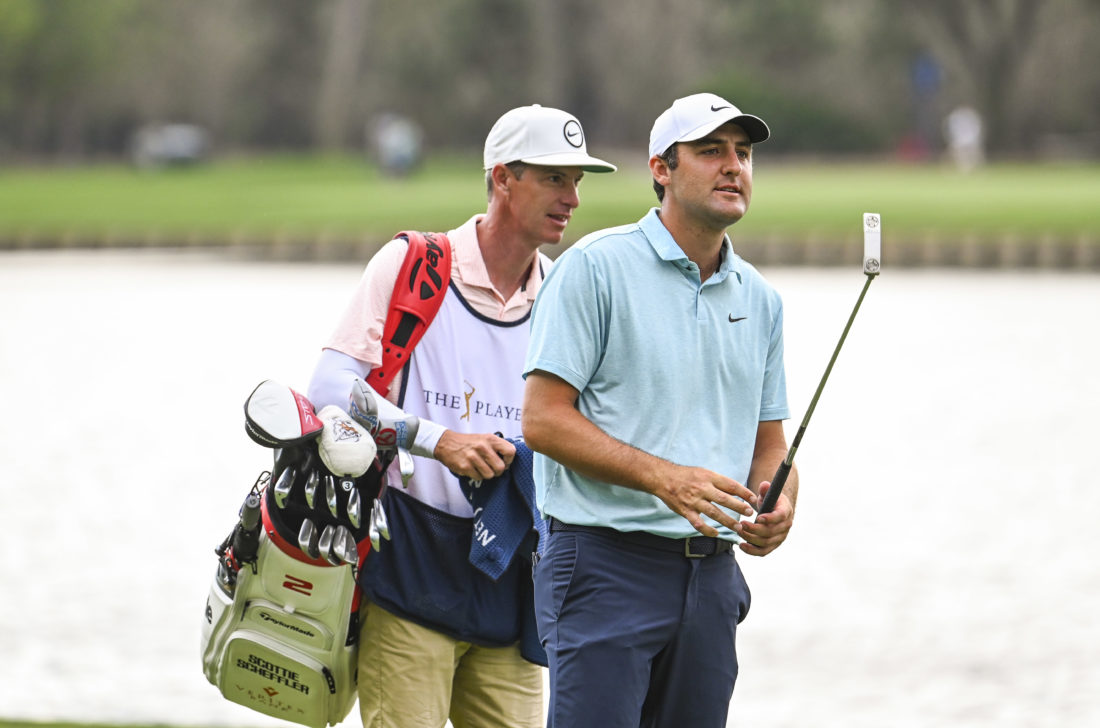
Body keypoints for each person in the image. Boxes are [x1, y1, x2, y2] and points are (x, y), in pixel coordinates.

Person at [307, 104, 615, 728]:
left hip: (516, 576)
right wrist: (437, 440)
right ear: (503, 177)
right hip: (410, 563)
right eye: (556, 178)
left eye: (577, 181)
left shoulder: (563, 293)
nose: (573, 199)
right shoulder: (413, 265)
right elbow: (329, 387)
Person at [521, 92, 797, 728]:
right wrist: (663, 478)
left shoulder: (761, 298)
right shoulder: (594, 267)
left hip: (712, 578)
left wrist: (780, 503)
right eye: (710, 151)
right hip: (602, 565)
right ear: (662, 169)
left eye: (743, 153)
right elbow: (542, 419)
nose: (734, 167)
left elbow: (769, 445)